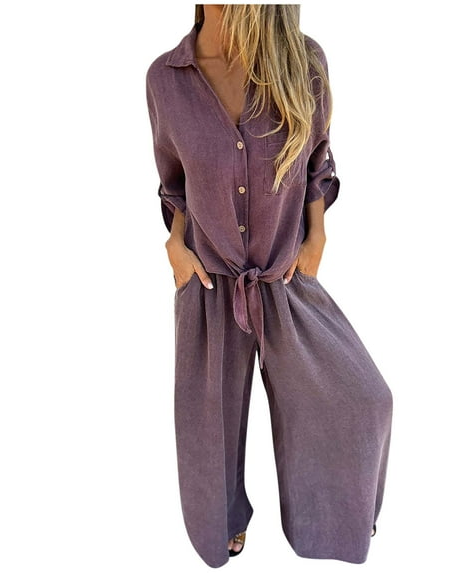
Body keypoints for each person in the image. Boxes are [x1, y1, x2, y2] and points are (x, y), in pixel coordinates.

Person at [145, 4, 393, 568]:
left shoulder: (302, 61)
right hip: (208, 282)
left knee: (363, 399)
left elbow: (318, 160)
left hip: (284, 279)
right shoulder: (165, 78)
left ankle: (335, 517)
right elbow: (173, 181)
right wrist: (175, 245)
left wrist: (316, 235)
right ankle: (224, 522)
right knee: (208, 427)